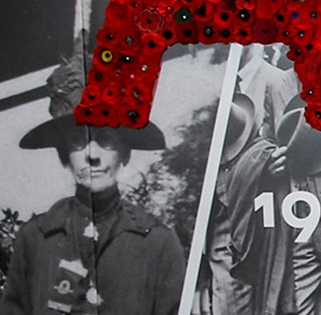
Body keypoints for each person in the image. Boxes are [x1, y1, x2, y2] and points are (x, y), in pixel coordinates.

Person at [1, 63, 185, 315]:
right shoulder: (34, 239)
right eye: (78, 141)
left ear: (124, 154)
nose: (92, 155)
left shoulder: (158, 242)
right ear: (65, 156)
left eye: (106, 140)